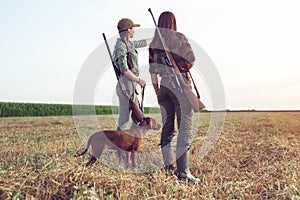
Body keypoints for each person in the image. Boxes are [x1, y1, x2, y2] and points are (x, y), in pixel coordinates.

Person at [149, 11, 200, 183]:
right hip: (180, 85)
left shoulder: (154, 43)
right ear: (173, 23)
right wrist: (180, 67)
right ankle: (183, 173)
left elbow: (153, 74)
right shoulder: (179, 37)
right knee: (185, 127)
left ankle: (169, 167)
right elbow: (191, 61)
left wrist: (158, 93)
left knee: (168, 128)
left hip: (163, 86)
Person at [113, 18, 151, 130]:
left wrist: (157, 38)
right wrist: (138, 80)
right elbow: (124, 70)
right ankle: (119, 144)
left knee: (137, 116)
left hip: (130, 85)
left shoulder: (128, 44)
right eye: (133, 28)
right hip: (126, 85)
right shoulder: (121, 46)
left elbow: (142, 43)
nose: (135, 31)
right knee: (124, 119)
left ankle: (132, 142)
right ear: (129, 29)